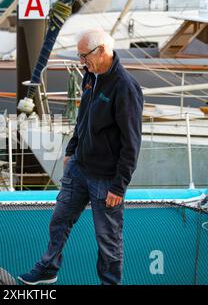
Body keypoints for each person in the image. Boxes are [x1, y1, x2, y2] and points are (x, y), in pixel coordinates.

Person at [18, 29, 143, 285]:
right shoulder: (91, 76)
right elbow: (83, 117)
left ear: (101, 51)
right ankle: (48, 268)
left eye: (83, 55)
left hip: (106, 180)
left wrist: (119, 186)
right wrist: (71, 150)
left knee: (108, 240)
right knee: (59, 220)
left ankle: (110, 283)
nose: (80, 61)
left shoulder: (125, 87)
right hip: (79, 169)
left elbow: (132, 143)